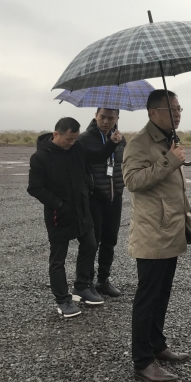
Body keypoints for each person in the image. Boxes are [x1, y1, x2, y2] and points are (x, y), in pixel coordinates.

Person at [123, 89, 191, 382]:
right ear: (153, 112)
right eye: (171, 109)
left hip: (170, 228)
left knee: (162, 294)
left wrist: (171, 156)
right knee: (148, 297)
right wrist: (169, 160)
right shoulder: (139, 143)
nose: (177, 114)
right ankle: (143, 361)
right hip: (152, 233)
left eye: (179, 108)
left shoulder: (169, 139)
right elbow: (132, 181)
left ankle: (157, 346)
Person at [27, 117, 123, 318]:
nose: (72, 143)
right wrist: (58, 204)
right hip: (58, 215)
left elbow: (96, 157)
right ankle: (63, 299)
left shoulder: (77, 148)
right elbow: (35, 188)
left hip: (82, 210)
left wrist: (112, 143)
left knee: (90, 245)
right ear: (56, 134)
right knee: (58, 259)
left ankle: (81, 286)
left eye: (75, 139)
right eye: (69, 139)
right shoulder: (40, 157)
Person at [78, 108, 127, 297]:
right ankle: (86, 282)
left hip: (115, 197)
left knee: (110, 240)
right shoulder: (85, 139)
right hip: (94, 198)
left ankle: (103, 280)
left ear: (117, 118)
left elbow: (124, 164)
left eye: (111, 118)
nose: (106, 121)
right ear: (96, 116)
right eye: (103, 117)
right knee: (92, 242)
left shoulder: (121, 139)